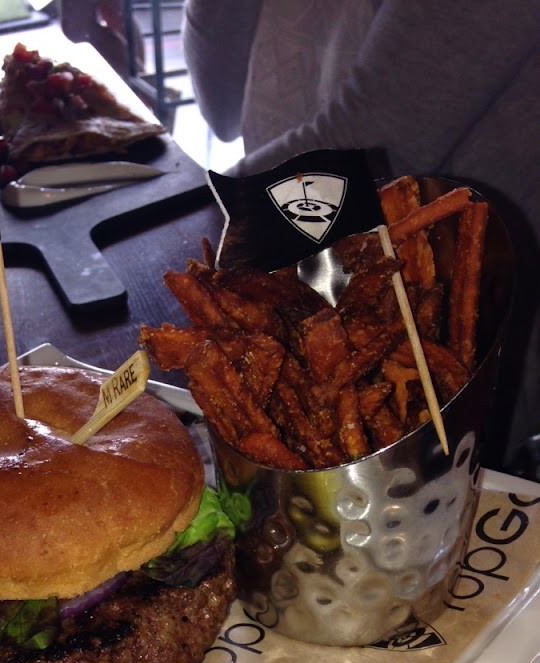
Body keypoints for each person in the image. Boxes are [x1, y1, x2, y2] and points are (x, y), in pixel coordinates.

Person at [182, 0, 540, 479]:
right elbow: (221, 105)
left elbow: (380, 134)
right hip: (289, 254)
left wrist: (207, 219)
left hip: (460, 311)